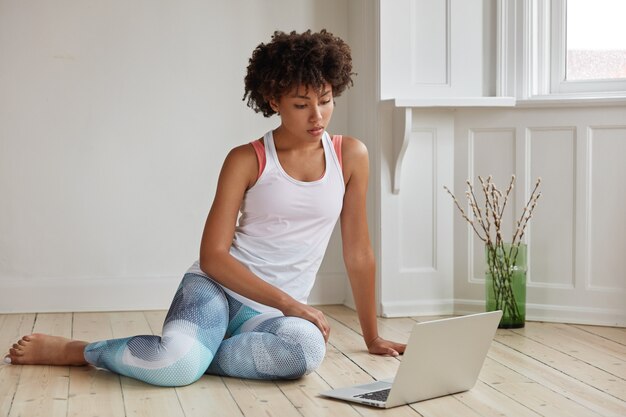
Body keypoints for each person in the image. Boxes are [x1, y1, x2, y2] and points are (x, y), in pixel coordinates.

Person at [3, 29, 406, 386]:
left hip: (269, 318)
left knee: (304, 354)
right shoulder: (246, 159)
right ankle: (81, 351)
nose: (317, 116)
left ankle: (196, 353)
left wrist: (372, 337)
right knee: (176, 368)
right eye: (301, 105)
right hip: (215, 290)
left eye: (325, 100)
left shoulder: (350, 155)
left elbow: (358, 253)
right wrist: (290, 303)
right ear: (273, 100)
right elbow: (212, 257)